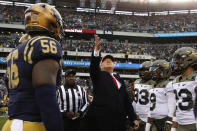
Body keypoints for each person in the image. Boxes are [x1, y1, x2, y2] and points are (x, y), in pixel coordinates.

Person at [2, 3, 64, 131]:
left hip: (11, 123)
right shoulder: (46, 43)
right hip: (32, 124)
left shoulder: (15, 52)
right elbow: (45, 95)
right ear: (50, 22)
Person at [80, 35, 139, 131]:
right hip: (101, 120)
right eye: (105, 60)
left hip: (118, 121)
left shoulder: (119, 79)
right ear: (101, 65)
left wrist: (133, 118)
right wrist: (96, 50)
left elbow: (126, 101)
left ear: (114, 65)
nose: (108, 61)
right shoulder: (99, 75)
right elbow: (94, 67)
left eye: (111, 60)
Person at [170, 47, 197, 131]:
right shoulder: (177, 80)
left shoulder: (195, 78)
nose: (175, 62)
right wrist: (173, 127)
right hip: (180, 124)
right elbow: (177, 105)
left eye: (178, 59)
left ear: (189, 60)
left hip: (192, 124)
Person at [145, 60, 176, 131]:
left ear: (165, 71)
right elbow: (151, 106)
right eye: (153, 71)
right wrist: (148, 123)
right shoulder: (153, 85)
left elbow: (172, 105)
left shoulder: (168, 84)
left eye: (157, 71)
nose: (154, 73)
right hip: (153, 119)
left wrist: (169, 121)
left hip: (164, 119)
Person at [133, 61, 155, 131]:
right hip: (137, 115)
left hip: (148, 117)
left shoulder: (154, 83)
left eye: (145, 71)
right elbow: (135, 99)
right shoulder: (136, 81)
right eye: (141, 71)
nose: (142, 73)